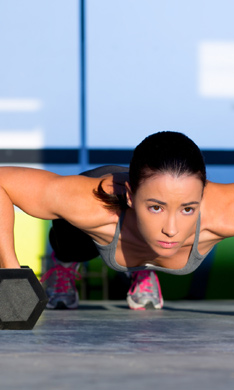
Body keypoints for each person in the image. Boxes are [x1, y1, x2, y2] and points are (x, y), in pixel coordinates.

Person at [0, 131, 232, 311]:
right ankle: (63, 264)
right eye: (155, 207)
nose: (171, 230)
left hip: (135, 221)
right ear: (131, 196)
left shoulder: (222, 213)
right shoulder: (93, 205)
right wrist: (11, 275)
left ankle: (141, 269)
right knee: (68, 232)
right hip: (104, 203)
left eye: (187, 209)